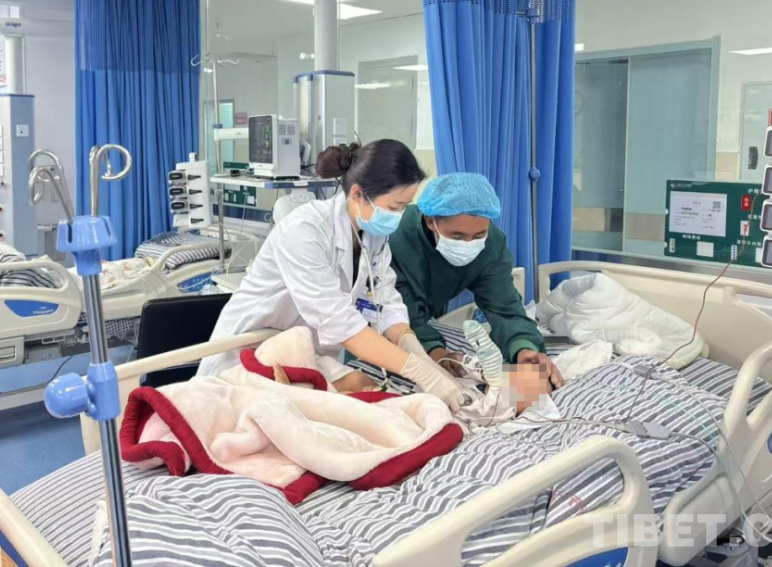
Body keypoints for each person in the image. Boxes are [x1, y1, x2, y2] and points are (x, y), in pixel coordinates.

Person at [197, 140, 466, 411]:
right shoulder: (304, 230)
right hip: (252, 355)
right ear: (358, 193)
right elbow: (341, 323)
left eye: (405, 207)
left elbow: (385, 301)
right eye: (394, 207)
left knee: (364, 389)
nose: (398, 216)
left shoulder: (373, 236)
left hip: (306, 357)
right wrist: (421, 373)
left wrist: (414, 348)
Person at [388, 172, 565, 389]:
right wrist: (435, 351)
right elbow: (397, 315)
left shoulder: (491, 245)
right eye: (457, 236)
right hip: (377, 327)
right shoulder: (395, 237)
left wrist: (523, 347)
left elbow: (505, 308)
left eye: (479, 235)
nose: (469, 244)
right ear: (430, 221)